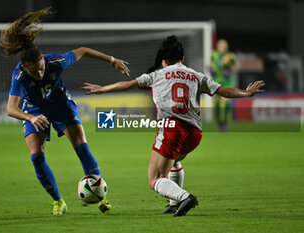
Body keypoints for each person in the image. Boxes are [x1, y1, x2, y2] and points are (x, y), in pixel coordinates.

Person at [82, 35, 265, 217]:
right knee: (174, 161)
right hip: (194, 134)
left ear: (164, 60)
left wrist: (102, 89)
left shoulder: (156, 75)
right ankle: (173, 203)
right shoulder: (196, 76)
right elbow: (225, 91)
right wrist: (247, 93)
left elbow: (126, 84)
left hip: (172, 129)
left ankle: (184, 197)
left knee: (155, 178)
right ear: (182, 58)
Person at [0, 8, 130, 215]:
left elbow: (83, 50)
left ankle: (101, 196)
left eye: (41, 68)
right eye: (35, 71)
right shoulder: (20, 74)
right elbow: (11, 109)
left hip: (61, 105)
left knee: (82, 148)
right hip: (35, 110)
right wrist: (31, 117)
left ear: (43, 60)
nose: (40, 73)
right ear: (25, 68)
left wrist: (112, 60)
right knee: (36, 158)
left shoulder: (55, 62)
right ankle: (58, 201)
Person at [210, 39, 239, 131]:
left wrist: (230, 70)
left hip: (227, 82)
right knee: (217, 103)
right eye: (221, 45)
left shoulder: (230, 56)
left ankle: (225, 123)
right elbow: (209, 64)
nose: (222, 47)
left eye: (224, 46)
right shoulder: (214, 54)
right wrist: (211, 70)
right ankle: (219, 123)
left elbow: (237, 66)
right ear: (218, 46)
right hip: (216, 82)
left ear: (226, 47)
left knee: (225, 102)